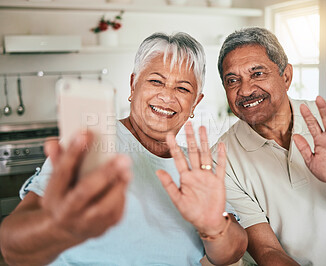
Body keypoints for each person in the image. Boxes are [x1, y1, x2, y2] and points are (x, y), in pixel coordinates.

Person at [0, 32, 247, 266]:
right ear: (133, 85)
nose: (167, 96)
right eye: (155, 81)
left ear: (196, 102)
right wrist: (57, 226)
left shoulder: (199, 166)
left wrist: (213, 226)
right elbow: (12, 249)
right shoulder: (93, 143)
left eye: (182, 88)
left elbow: (232, 252)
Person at [213, 26, 326, 265]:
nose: (246, 89)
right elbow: (268, 251)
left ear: (286, 76)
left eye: (257, 74)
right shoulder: (221, 158)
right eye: (232, 80)